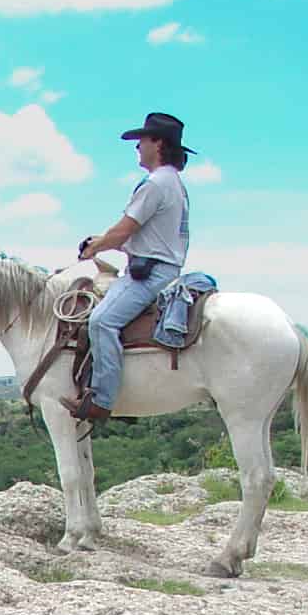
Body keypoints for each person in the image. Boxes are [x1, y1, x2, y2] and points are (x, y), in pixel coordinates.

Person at [62, 111, 195, 423]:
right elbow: (138, 236)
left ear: (157, 144)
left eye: (141, 141)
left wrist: (94, 248)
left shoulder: (155, 183)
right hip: (161, 266)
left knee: (101, 321)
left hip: (152, 273)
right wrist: (104, 240)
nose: (137, 147)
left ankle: (102, 399)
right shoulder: (174, 183)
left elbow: (124, 230)